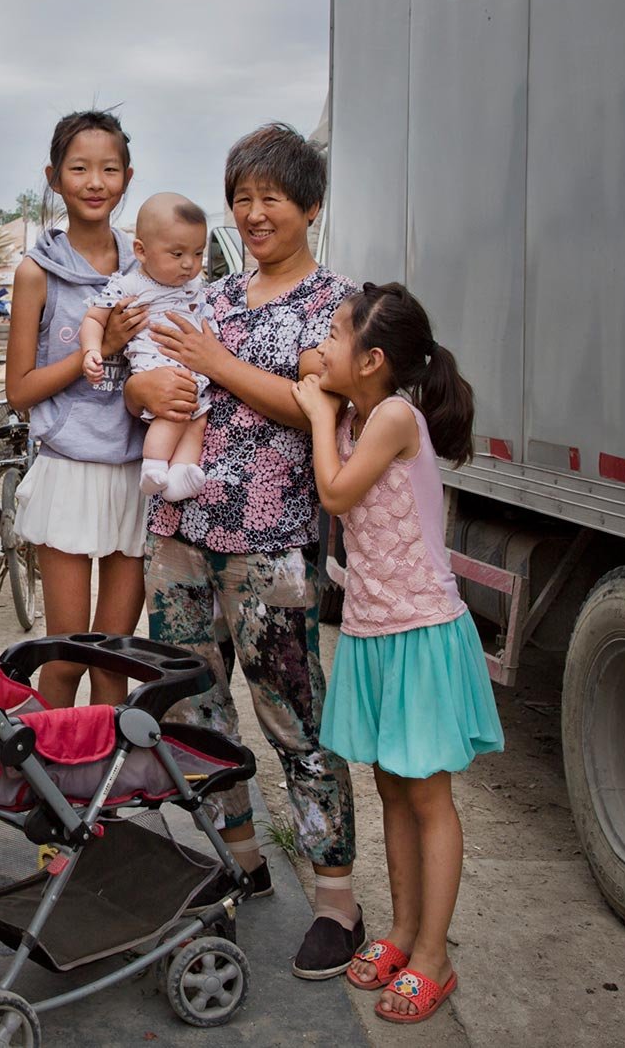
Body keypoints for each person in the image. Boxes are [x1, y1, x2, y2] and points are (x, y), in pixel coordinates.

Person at [124, 123, 362, 979]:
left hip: (271, 543)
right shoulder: (212, 291)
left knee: (295, 716)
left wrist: (216, 362)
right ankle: (240, 859)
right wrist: (142, 385)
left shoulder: (336, 305)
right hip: (179, 534)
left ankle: (337, 899)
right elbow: (152, 373)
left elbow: (316, 406)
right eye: (243, 198)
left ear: (311, 206)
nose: (254, 214)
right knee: (195, 708)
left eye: (272, 198)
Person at [293, 282, 503, 1026]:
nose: (322, 344)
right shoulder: (360, 406)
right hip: (373, 629)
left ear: (373, 359)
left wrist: (320, 414)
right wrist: (324, 385)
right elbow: (307, 367)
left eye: (336, 334)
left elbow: (336, 493)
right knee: (390, 788)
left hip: (419, 630)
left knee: (427, 796)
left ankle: (434, 957)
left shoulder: (390, 417)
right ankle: (406, 932)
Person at [4, 110, 151, 709]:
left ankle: (106, 770)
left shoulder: (147, 271)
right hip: (68, 471)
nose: (95, 182)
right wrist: (101, 348)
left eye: (109, 169)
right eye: (79, 169)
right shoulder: (36, 273)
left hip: (135, 474)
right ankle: (48, 764)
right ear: (54, 178)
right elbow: (20, 391)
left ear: (127, 178)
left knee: (114, 659)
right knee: (64, 657)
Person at [78, 193, 215, 502]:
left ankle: (179, 474)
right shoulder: (130, 285)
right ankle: (153, 466)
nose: (189, 264)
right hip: (158, 370)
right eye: (177, 254)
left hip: (194, 372)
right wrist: (91, 350)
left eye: (197, 253)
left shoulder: (194, 286)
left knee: (198, 421)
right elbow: (94, 318)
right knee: (174, 415)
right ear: (141, 250)